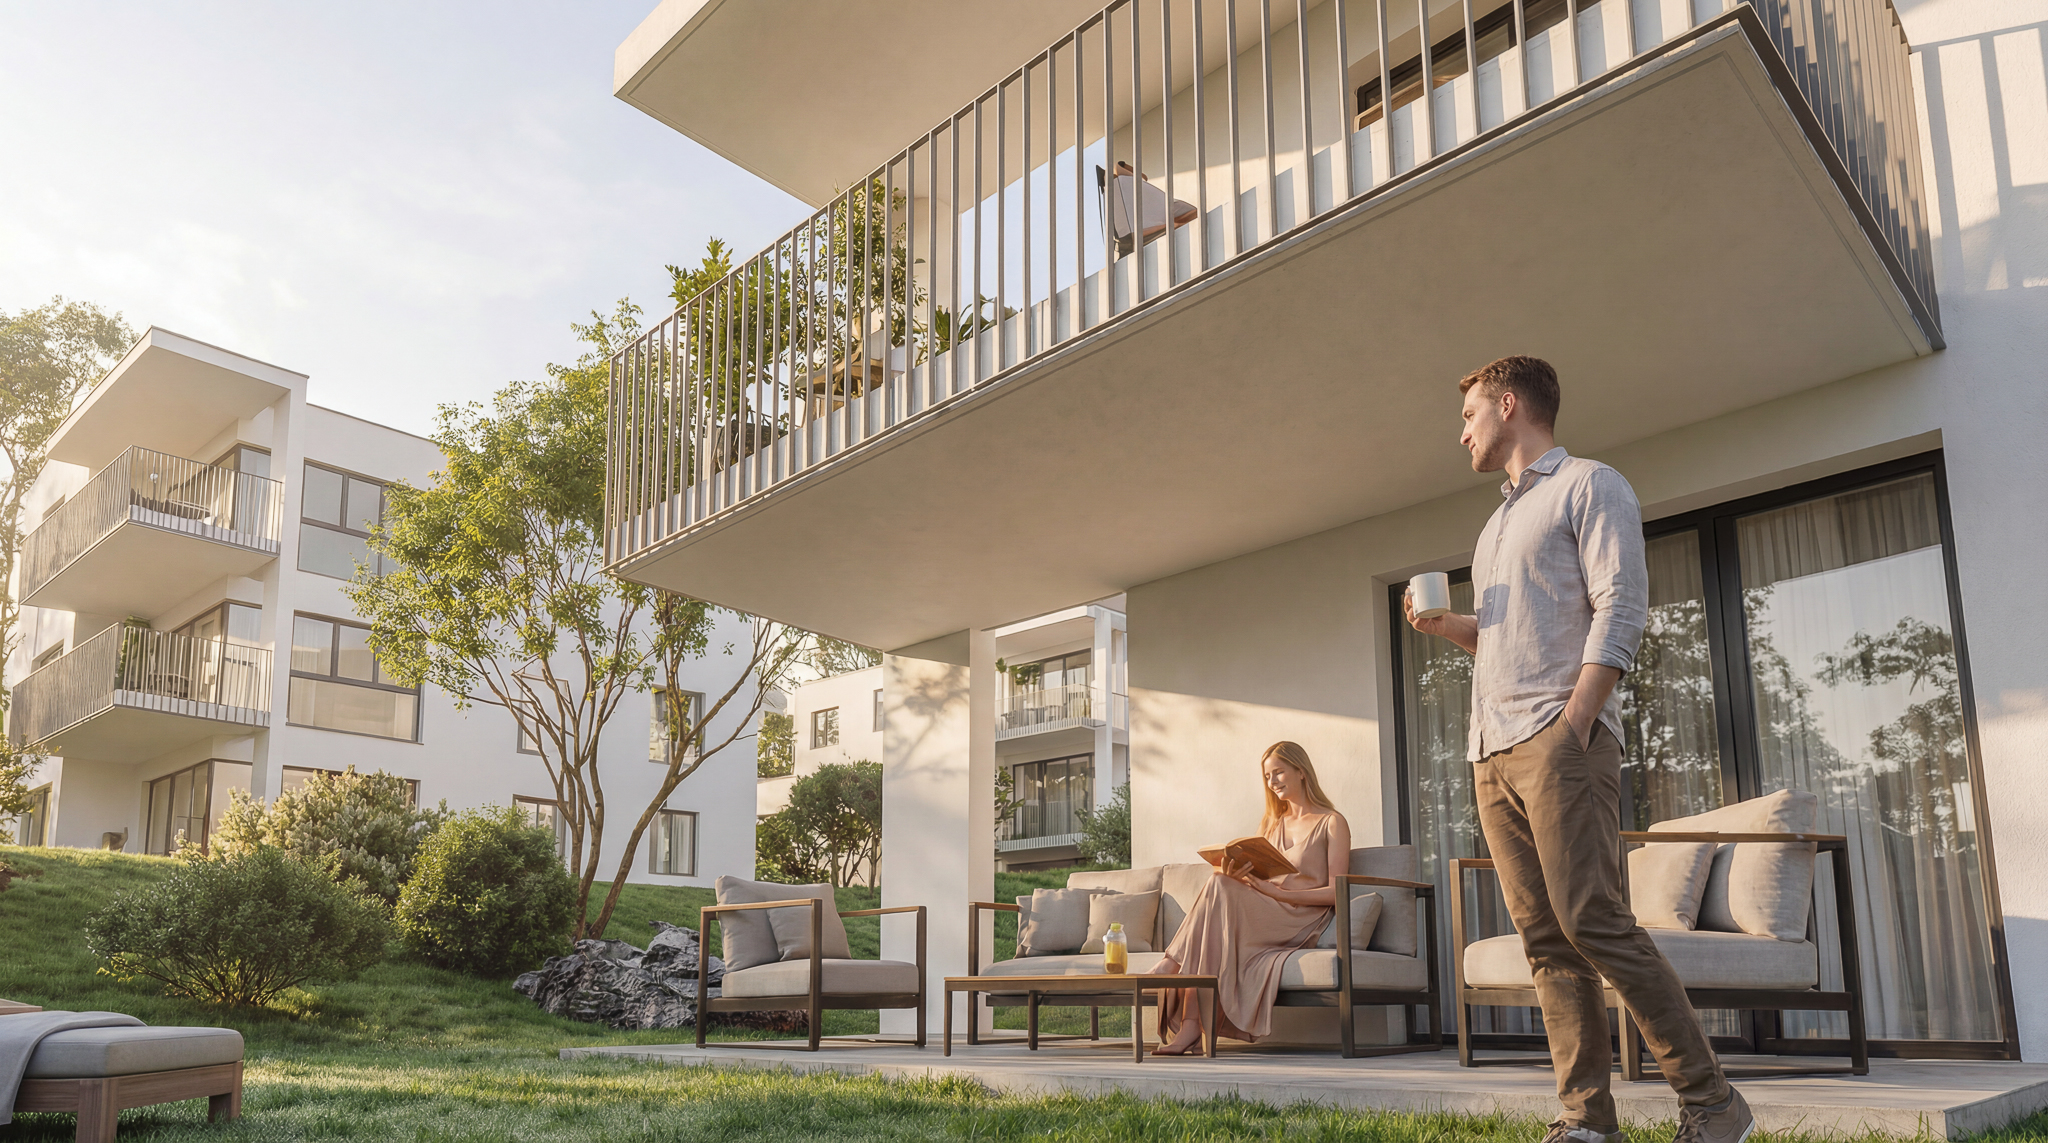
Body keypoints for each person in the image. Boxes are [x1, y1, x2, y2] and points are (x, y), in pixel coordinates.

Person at [1405, 356, 1751, 1143]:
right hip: (1491, 748)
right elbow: (1502, 638)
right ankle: (1586, 1120)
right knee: (1545, 940)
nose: (1461, 432)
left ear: (1509, 402)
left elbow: (1621, 602)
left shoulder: (1591, 484)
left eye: (1468, 416)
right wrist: (1445, 626)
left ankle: (1712, 1102)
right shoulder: (1493, 529)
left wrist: (1576, 720)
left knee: (1592, 916)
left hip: (1560, 740)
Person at [1147, 741, 1351, 1055]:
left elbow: (1337, 892)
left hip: (1301, 916)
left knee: (1219, 897)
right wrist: (1238, 874)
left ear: (1301, 771)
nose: (1273, 782)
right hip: (1263, 909)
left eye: (1279, 772)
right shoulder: (1272, 825)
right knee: (1220, 882)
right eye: (1268, 777)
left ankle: (1173, 967)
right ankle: (1191, 1024)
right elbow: (1261, 878)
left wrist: (1277, 892)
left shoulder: (1331, 822)